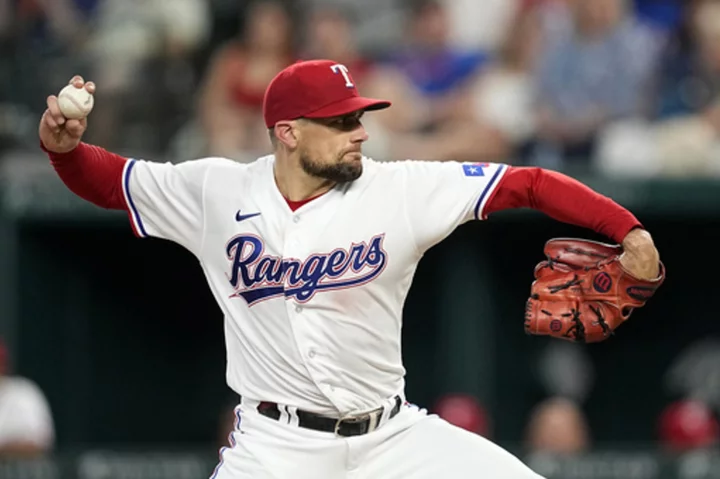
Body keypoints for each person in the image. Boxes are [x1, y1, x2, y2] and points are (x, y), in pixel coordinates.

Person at [38, 59, 661, 478]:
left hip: (391, 439)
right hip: (276, 448)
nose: (359, 132)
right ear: (287, 132)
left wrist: (625, 228)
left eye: (358, 117)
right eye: (340, 122)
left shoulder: (400, 190)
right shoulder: (216, 190)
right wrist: (62, 148)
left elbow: (526, 183)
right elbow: (110, 180)